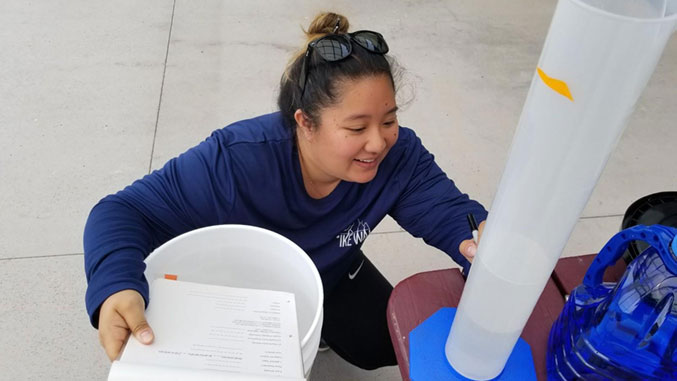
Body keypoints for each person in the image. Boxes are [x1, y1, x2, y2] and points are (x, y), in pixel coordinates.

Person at [84, 11, 487, 371]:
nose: (378, 143)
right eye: (356, 127)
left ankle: (324, 326)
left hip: (328, 272)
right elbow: (122, 211)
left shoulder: (399, 157)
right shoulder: (234, 161)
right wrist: (116, 285)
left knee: (386, 345)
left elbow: (452, 214)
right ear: (305, 123)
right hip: (237, 290)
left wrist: (483, 245)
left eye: (388, 120)